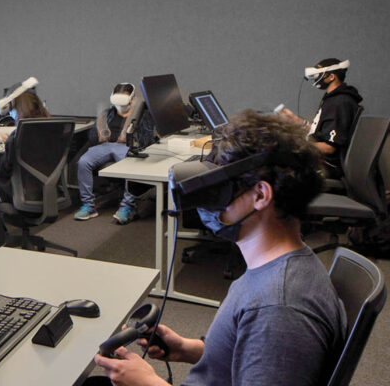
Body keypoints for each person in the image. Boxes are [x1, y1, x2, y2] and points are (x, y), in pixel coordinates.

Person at [92, 110, 346, 386]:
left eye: (220, 189)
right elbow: (251, 357)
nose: (209, 204)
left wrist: (150, 384)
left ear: (260, 195)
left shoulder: (279, 310)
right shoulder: (274, 269)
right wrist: (191, 349)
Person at [74, 83, 155, 225]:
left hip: (126, 147)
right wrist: (98, 133)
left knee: (131, 165)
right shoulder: (107, 114)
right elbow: (92, 138)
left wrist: (131, 135)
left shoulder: (141, 115)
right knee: (83, 162)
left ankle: (127, 207)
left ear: (132, 100)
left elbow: (147, 140)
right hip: (106, 146)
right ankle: (88, 205)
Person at [279, 58, 362, 178]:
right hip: (321, 161)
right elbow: (324, 132)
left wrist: (297, 146)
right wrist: (295, 120)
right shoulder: (332, 99)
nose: (316, 78)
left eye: (318, 74)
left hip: (327, 166)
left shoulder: (339, 102)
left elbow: (329, 147)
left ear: (331, 77)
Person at [0, 77, 50, 203]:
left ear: (16, 107)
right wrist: (8, 139)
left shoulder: (22, 133)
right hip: (42, 190)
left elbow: (4, 167)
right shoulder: (47, 126)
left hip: (19, 192)